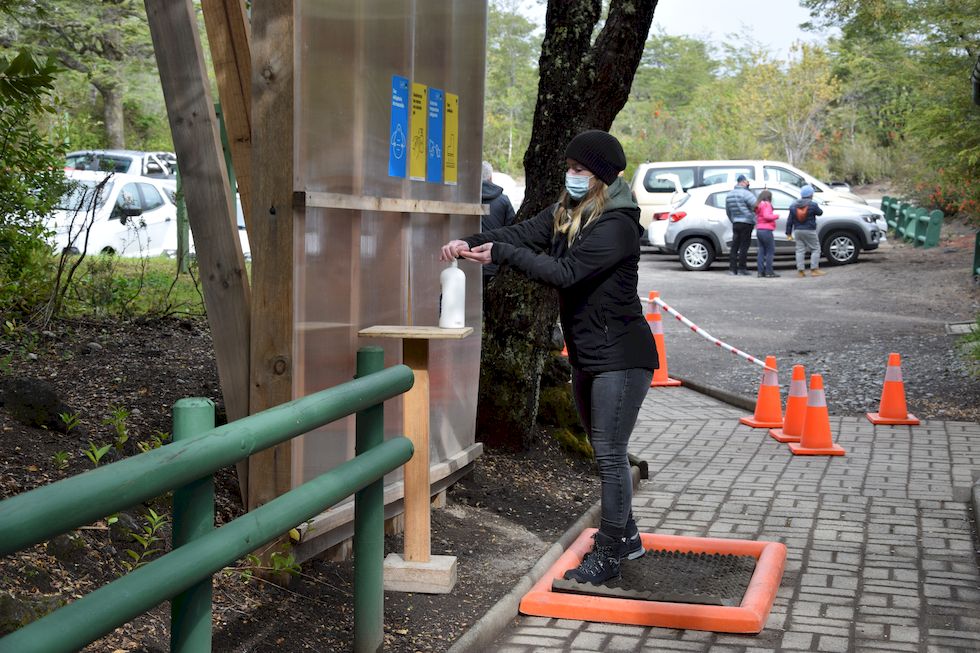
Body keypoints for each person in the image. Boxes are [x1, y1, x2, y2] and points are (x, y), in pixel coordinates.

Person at [440, 131, 658, 585]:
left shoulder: (617, 224)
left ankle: (610, 552)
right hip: (587, 355)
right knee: (605, 453)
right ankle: (629, 536)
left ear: (600, 176)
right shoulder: (567, 211)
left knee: (610, 456)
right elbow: (518, 233)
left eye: (580, 170)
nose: (571, 175)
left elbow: (566, 272)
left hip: (622, 356)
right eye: (570, 167)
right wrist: (468, 241)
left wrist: (504, 254)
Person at [480, 161, 517, 281]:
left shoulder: (465, 200)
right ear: (491, 177)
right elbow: (513, 230)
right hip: (494, 263)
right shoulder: (503, 201)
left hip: (467, 262)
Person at [786, 184, 825, 277]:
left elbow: (789, 221)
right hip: (809, 230)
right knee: (816, 249)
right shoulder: (813, 204)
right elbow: (820, 213)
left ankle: (800, 271)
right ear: (811, 194)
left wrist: (788, 233)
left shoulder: (793, 205)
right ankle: (814, 269)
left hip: (798, 231)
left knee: (800, 250)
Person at [725, 174, 756, 275]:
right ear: (742, 182)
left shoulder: (729, 195)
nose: (748, 183)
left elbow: (728, 211)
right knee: (744, 246)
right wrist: (753, 218)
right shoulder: (747, 194)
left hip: (736, 223)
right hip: (747, 222)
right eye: (747, 181)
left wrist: (733, 220)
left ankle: (732, 269)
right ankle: (742, 268)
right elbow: (756, 206)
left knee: (735, 246)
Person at [754, 189, 779, 278]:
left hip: (759, 229)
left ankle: (760, 272)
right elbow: (767, 216)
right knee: (770, 251)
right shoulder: (767, 204)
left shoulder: (759, 205)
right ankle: (769, 271)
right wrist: (776, 216)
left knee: (761, 251)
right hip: (767, 230)